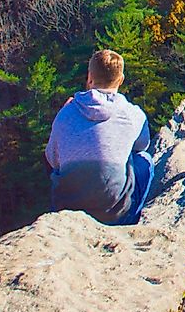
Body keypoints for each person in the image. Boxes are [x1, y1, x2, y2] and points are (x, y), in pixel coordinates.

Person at [45, 49, 153, 226]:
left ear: (89, 77)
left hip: (68, 212)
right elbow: (143, 144)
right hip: (114, 215)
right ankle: (130, 222)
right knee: (143, 159)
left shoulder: (66, 112)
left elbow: (52, 160)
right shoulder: (132, 113)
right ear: (120, 80)